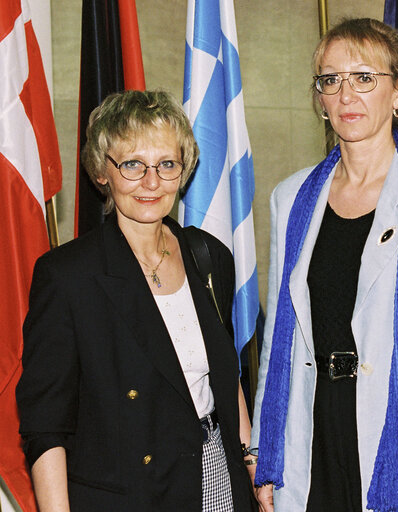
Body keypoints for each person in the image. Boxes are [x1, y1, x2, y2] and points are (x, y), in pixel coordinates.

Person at [249, 17, 398, 512]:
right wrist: (264, 451)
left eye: (364, 78)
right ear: (319, 99)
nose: (346, 95)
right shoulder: (291, 197)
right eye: (330, 80)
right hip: (313, 434)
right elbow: (279, 337)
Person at [16, 90, 256, 511]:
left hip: (217, 477)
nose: (151, 182)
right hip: (131, 494)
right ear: (103, 171)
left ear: (184, 170)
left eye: (166, 164)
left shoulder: (208, 255)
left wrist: (252, 462)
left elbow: (225, 375)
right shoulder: (68, 276)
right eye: (132, 165)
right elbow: (46, 427)